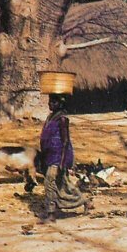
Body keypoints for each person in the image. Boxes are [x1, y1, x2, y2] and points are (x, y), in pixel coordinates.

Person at [39, 93, 91, 223]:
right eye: (50, 101)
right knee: (64, 183)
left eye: (54, 102)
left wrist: (62, 161)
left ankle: (51, 213)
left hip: (58, 156)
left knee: (49, 181)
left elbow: (66, 141)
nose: (50, 104)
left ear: (60, 104)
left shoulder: (62, 119)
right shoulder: (50, 117)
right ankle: (85, 201)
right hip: (49, 155)